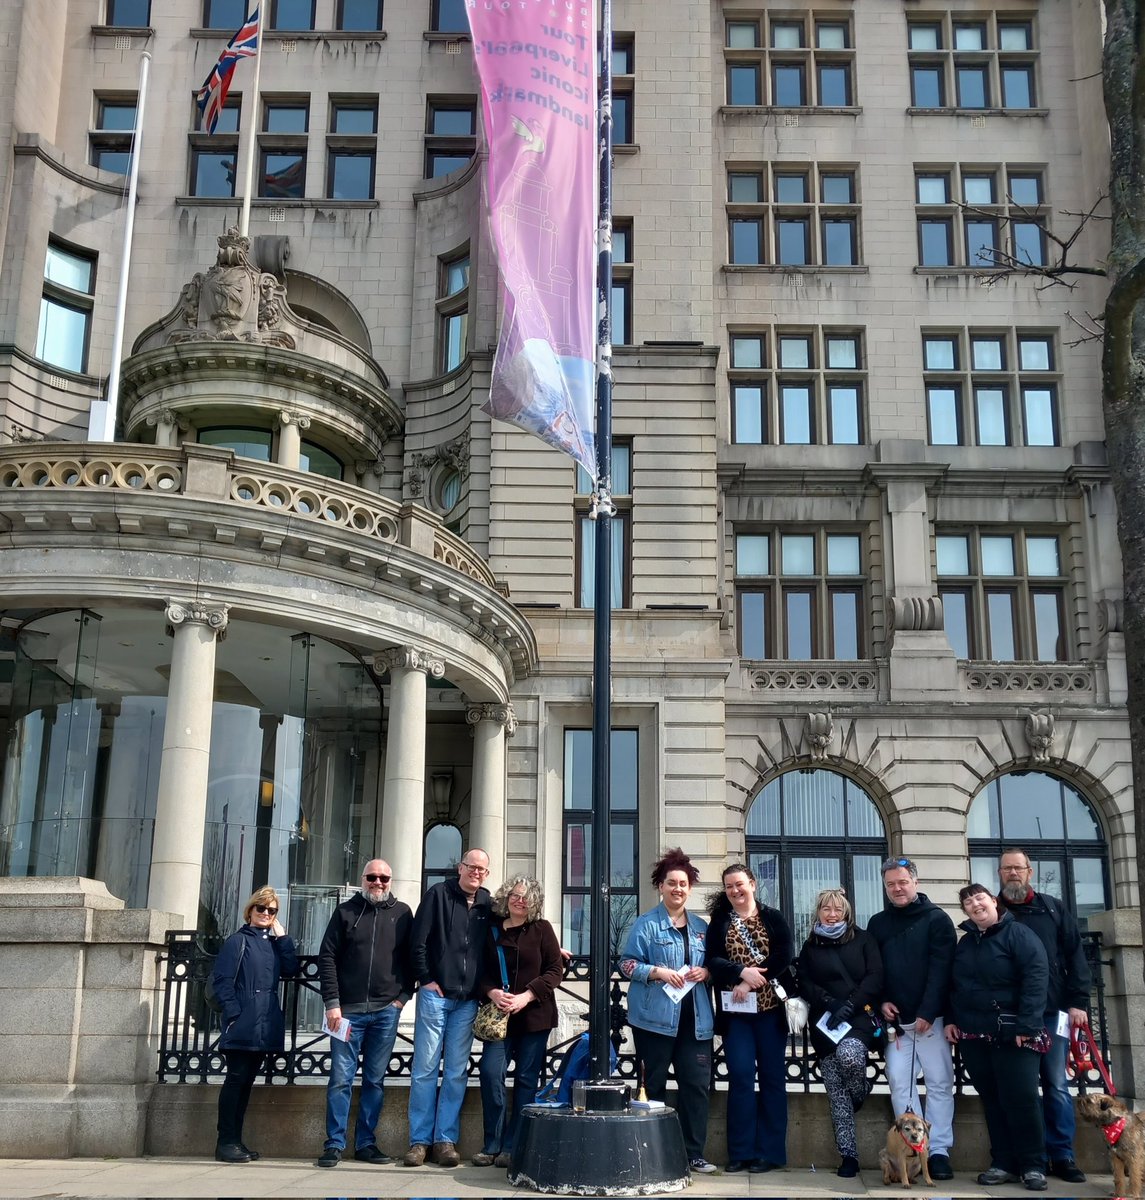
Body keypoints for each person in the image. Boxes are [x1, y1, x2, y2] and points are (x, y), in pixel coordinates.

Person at [945, 883, 1050, 1192]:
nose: (975, 904)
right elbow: (954, 986)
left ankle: (1032, 1164)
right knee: (992, 1100)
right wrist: (951, 1020)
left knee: (1022, 1099)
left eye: (979, 898)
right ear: (965, 911)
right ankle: (1003, 1162)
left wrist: (1028, 1025)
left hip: (1014, 1031)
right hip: (974, 1033)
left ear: (993, 901)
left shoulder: (1019, 935)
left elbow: (1036, 977)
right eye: (968, 902)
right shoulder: (964, 944)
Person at [997, 847, 1092, 1184]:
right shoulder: (993, 910)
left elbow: (1075, 954)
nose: (1012, 874)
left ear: (1029, 872)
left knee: (1056, 1084)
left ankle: (1062, 1154)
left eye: (1017, 868)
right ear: (1000, 874)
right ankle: (1030, 1157)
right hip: (1010, 1017)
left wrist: (1078, 1001)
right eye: (1006, 869)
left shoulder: (1052, 908)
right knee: (1022, 1090)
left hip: (1052, 1013)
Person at [620, 848, 717, 1176]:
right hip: (654, 1021)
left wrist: (707, 973)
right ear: (660, 886)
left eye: (684, 883)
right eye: (671, 883)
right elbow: (627, 963)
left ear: (690, 888)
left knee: (696, 1088)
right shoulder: (646, 925)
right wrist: (657, 972)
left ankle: (694, 1154)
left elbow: (714, 966)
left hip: (696, 1022)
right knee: (653, 1086)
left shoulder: (703, 928)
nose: (678, 888)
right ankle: (652, 1153)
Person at [315, 858, 414, 1168]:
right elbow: (327, 956)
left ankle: (366, 1144)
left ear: (391, 881)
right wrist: (332, 1002)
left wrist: (403, 997)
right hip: (347, 1012)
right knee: (340, 1079)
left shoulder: (403, 914)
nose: (378, 882)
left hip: (386, 1011)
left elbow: (413, 958)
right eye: (372, 877)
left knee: (374, 1080)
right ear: (363, 879)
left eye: (384, 877)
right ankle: (334, 1144)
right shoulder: (345, 911)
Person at [866, 857, 955, 1181]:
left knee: (939, 1083)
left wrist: (928, 1012)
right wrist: (882, 1001)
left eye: (902, 882)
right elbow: (874, 969)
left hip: (931, 1022)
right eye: (890, 884)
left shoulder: (937, 920)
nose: (897, 888)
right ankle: (910, 1148)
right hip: (897, 1026)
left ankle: (939, 1149)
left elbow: (942, 969)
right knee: (900, 1083)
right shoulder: (878, 923)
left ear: (914, 882)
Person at [404, 847, 493, 1168]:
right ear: (461, 867)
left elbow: (505, 937)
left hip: (467, 1001)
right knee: (425, 1069)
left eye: (483, 870)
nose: (477, 873)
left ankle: (445, 1141)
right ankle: (418, 1142)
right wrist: (426, 979)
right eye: (472, 867)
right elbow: (418, 942)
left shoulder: (487, 903)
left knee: (456, 1073)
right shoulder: (438, 894)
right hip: (435, 995)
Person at [704, 862, 793, 1174]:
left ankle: (769, 1153)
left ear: (753, 884)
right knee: (740, 1078)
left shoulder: (773, 917)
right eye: (729, 886)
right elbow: (711, 960)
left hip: (770, 1012)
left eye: (740, 884)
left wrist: (750, 980)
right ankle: (740, 1152)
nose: (735, 890)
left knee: (772, 1080)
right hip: (736, 1015)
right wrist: (740, 971)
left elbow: (783, 956)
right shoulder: (720, 921)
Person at [473, 875, 563, 1167]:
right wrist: (492, 991)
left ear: (534, 902)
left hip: (534, 1017)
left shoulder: (542, 929)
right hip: (499, 1018)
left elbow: (554, 970)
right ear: (506, 897)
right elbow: (481, 970)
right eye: (515, 894)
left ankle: (514, 1146)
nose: (519, 900)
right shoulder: (492, 930)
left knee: (526, 1080)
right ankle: (492, 1143)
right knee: (490, 1073)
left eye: (526, 897)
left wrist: (527, 996)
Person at [796, 887, 883, 1178]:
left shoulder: (863, 939)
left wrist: (850, 1004)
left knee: (850, 1057)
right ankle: (848, 1156)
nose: (832, 915)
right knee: (836, 1094)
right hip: (825, 1023)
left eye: (837, 910)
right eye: (826, 909)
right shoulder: (811, 946)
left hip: (858, 1017)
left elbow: (875, 976)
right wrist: (829, 1003)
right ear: (818, 912)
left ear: (846, 912)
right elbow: (804, 982)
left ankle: (861, 1090)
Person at [209, 885, 299, 1163]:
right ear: (250, 910)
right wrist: (235, 1014)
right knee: (235, 1081)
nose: (266, 914)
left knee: (246, 1083)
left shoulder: (272, 944)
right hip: (243, 1023)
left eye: (271, 910)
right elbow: (222, 981)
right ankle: (226, 1142)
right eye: (261, 908)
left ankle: (236, 1141)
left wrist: (282, 936)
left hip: (263, 1024)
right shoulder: (238, 941)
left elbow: (291, 969)